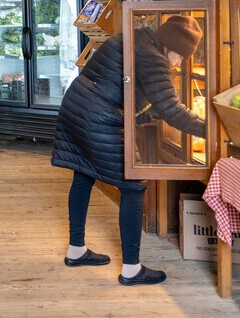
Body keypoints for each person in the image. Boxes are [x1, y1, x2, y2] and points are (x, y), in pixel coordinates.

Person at [51, 15, 205, 285]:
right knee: (133, 186)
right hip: (98, 116)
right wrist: (210, 129)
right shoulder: (154, 58)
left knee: (83, 172)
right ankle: (132, 269)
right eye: (181, 56)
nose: (180, 63)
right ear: (171, 46)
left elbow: (127, 86)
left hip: (76, 105)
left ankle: (77, 250)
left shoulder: (133, 37)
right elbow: (171, 111)